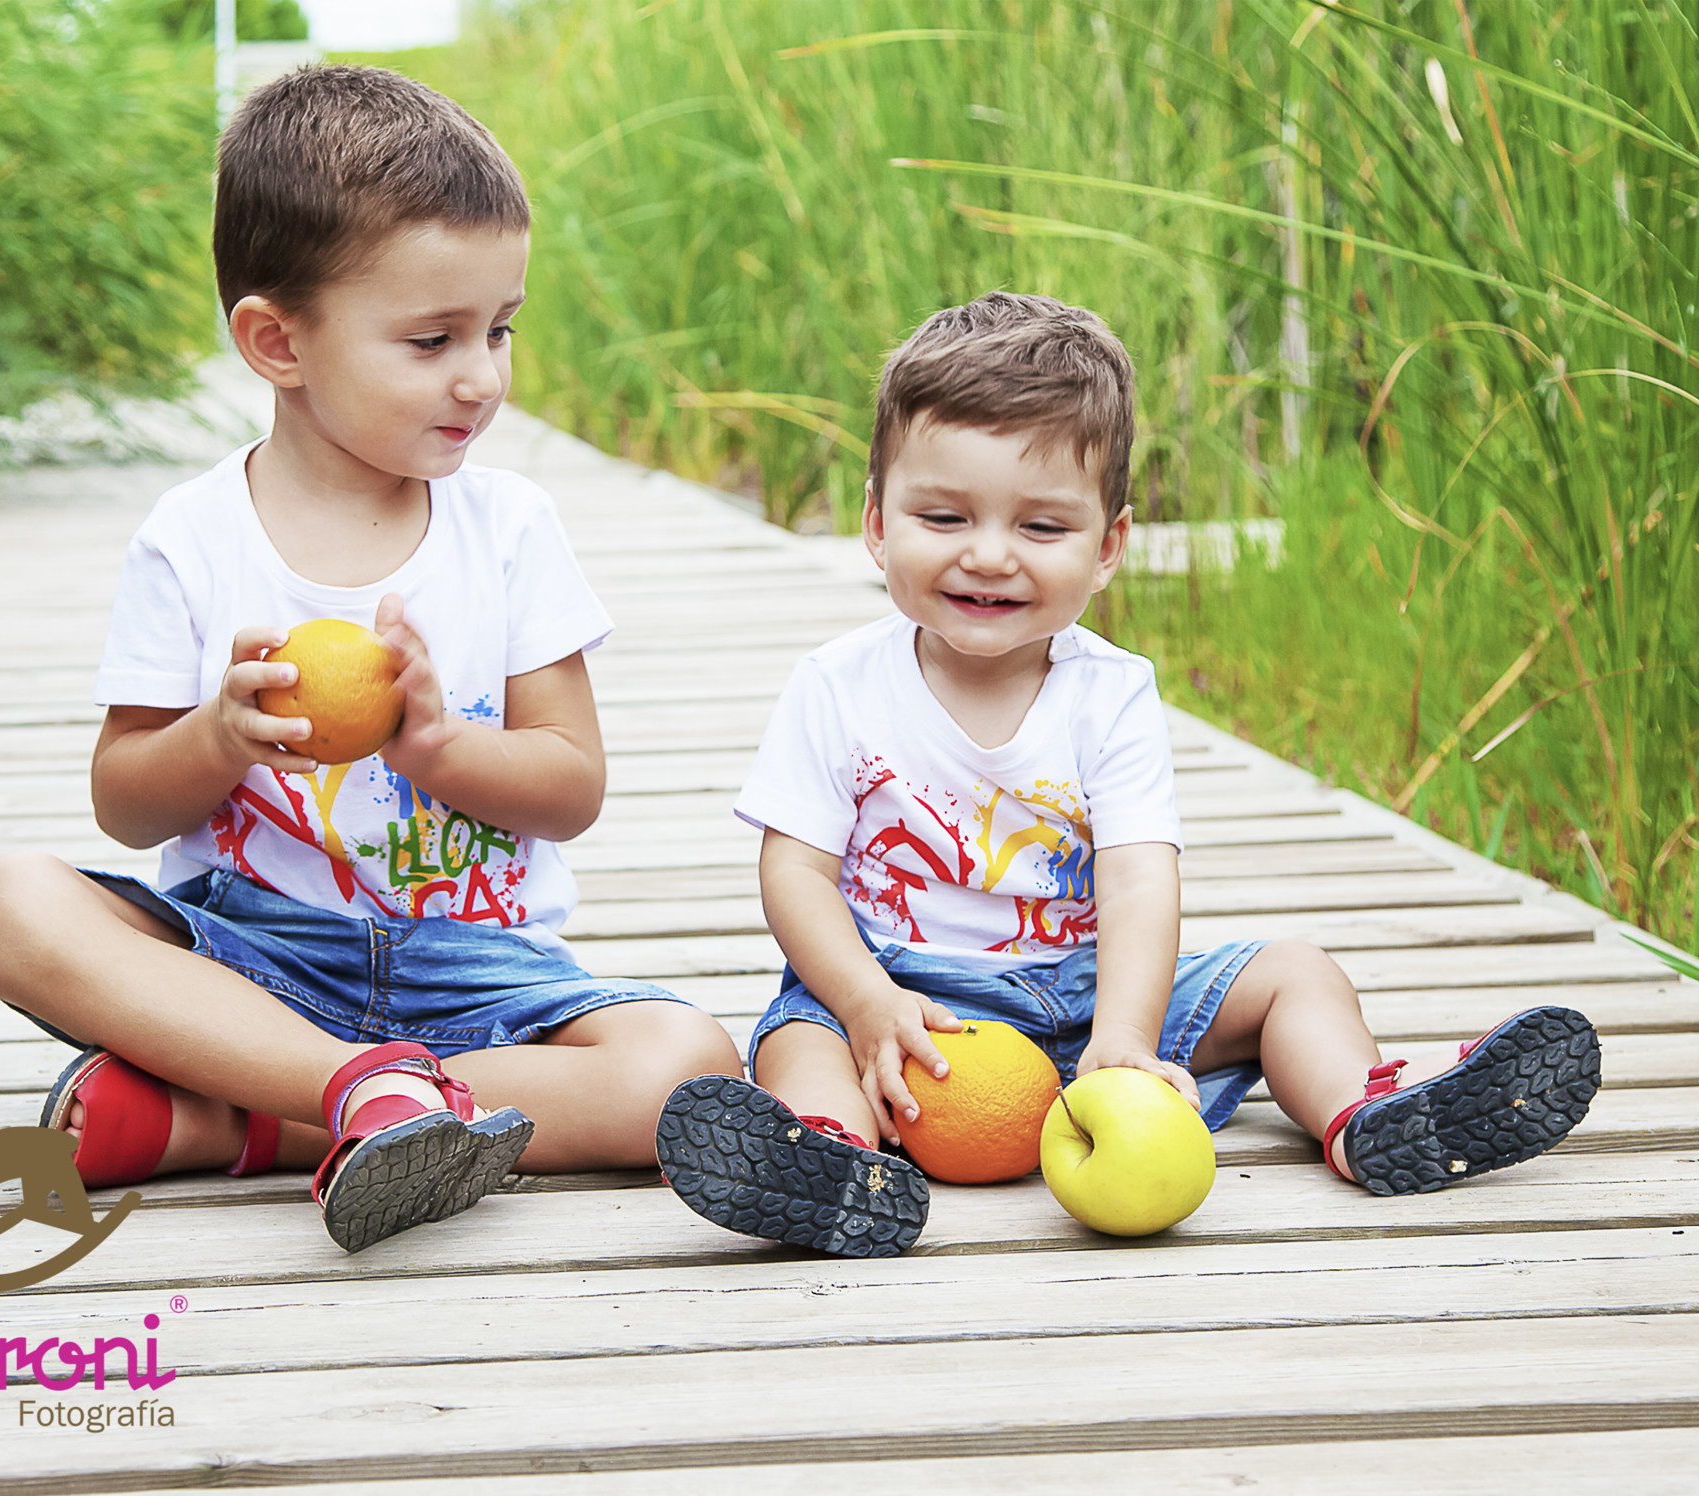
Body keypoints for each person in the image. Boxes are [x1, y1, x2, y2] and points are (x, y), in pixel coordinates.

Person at [0, 66, 740, 1254]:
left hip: (475, 970)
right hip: (250, 947)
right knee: (8, 902)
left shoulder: (508, 528)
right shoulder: (194, 538)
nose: (480, 374)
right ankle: (344, 1085)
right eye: (431, 339)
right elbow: (122, 801)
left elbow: (571, 784)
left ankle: (254, 1116)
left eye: (499, 329)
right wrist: (215, 737)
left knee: (684, 1062)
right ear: (277, 340)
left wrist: (441, 744)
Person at [654, 293, 1601, 1258]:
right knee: (796, 1042)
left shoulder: (1111, 693)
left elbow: (1140, 872)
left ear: (1109, 546)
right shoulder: (839, 687)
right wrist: (865, 1003)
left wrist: (1125, 1037)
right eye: (942, 515)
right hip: (906, 996)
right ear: (874, 521)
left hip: (1087, 990)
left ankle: (1368, 1117)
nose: (988, 554)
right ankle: (833, 1163)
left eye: (1042, 528)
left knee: (1294, 977)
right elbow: (796, 873)